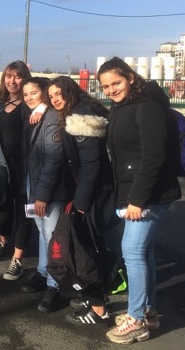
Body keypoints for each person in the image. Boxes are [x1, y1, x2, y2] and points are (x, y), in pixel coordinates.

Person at [98, 57, 181, 344]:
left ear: (130, 77)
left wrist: (137, 199)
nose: (111, 90)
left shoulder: (147, 107)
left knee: (132, 251)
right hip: (137, 192)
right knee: (143, 252)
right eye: (106, 87)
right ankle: (148, 310)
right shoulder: (121, 107)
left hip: (149, 195)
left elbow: (153, 157)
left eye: (116, 83)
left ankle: (135, 320)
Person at [47, 76, 118, 325]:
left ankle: (98, 310)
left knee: (88, 250)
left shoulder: (80, 117)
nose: (54, 99)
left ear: (70, 92)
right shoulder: (79, 111)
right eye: (51, 95)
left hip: (94, 194)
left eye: (58, 94)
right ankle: (100, 300)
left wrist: (81, 203)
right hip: (95, 191)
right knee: (95, 246)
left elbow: (90, 164)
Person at [19, 77, 71, 313]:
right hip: (36, 182)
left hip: (49, 190)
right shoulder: (35, 116)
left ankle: (55, 285)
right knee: (42, 232)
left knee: (52, 237)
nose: (29, 98)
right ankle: (42, 272)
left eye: (34, 93)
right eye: (26, 94)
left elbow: (53, 158)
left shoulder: (50, 118)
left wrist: (42, 195)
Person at [0, 61, 35, 281]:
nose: (12, 81)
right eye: (9, 76)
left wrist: (43, 106)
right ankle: (3, 238)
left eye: (18, 77)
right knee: (1, 209)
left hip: (24, 165)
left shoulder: (30, 104)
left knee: (24, 212)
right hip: (2, 163)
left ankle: (17, 259)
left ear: (25, 78)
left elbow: (45, 85)